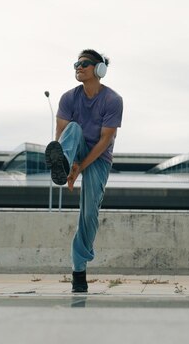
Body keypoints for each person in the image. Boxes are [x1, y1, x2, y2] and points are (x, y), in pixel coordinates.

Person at [45, 49, 123, 293]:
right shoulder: (68, 98)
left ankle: (79, 270)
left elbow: (105, 141)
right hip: (73, 150)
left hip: (98, 158)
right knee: (75, 128)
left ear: (100, 70)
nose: (79, 67)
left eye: (85, 63)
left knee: (88, 215)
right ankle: (63, 165)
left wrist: (80, 168)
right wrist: (67, 164)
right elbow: (62, 135)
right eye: (76, 63)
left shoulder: (112, 100)